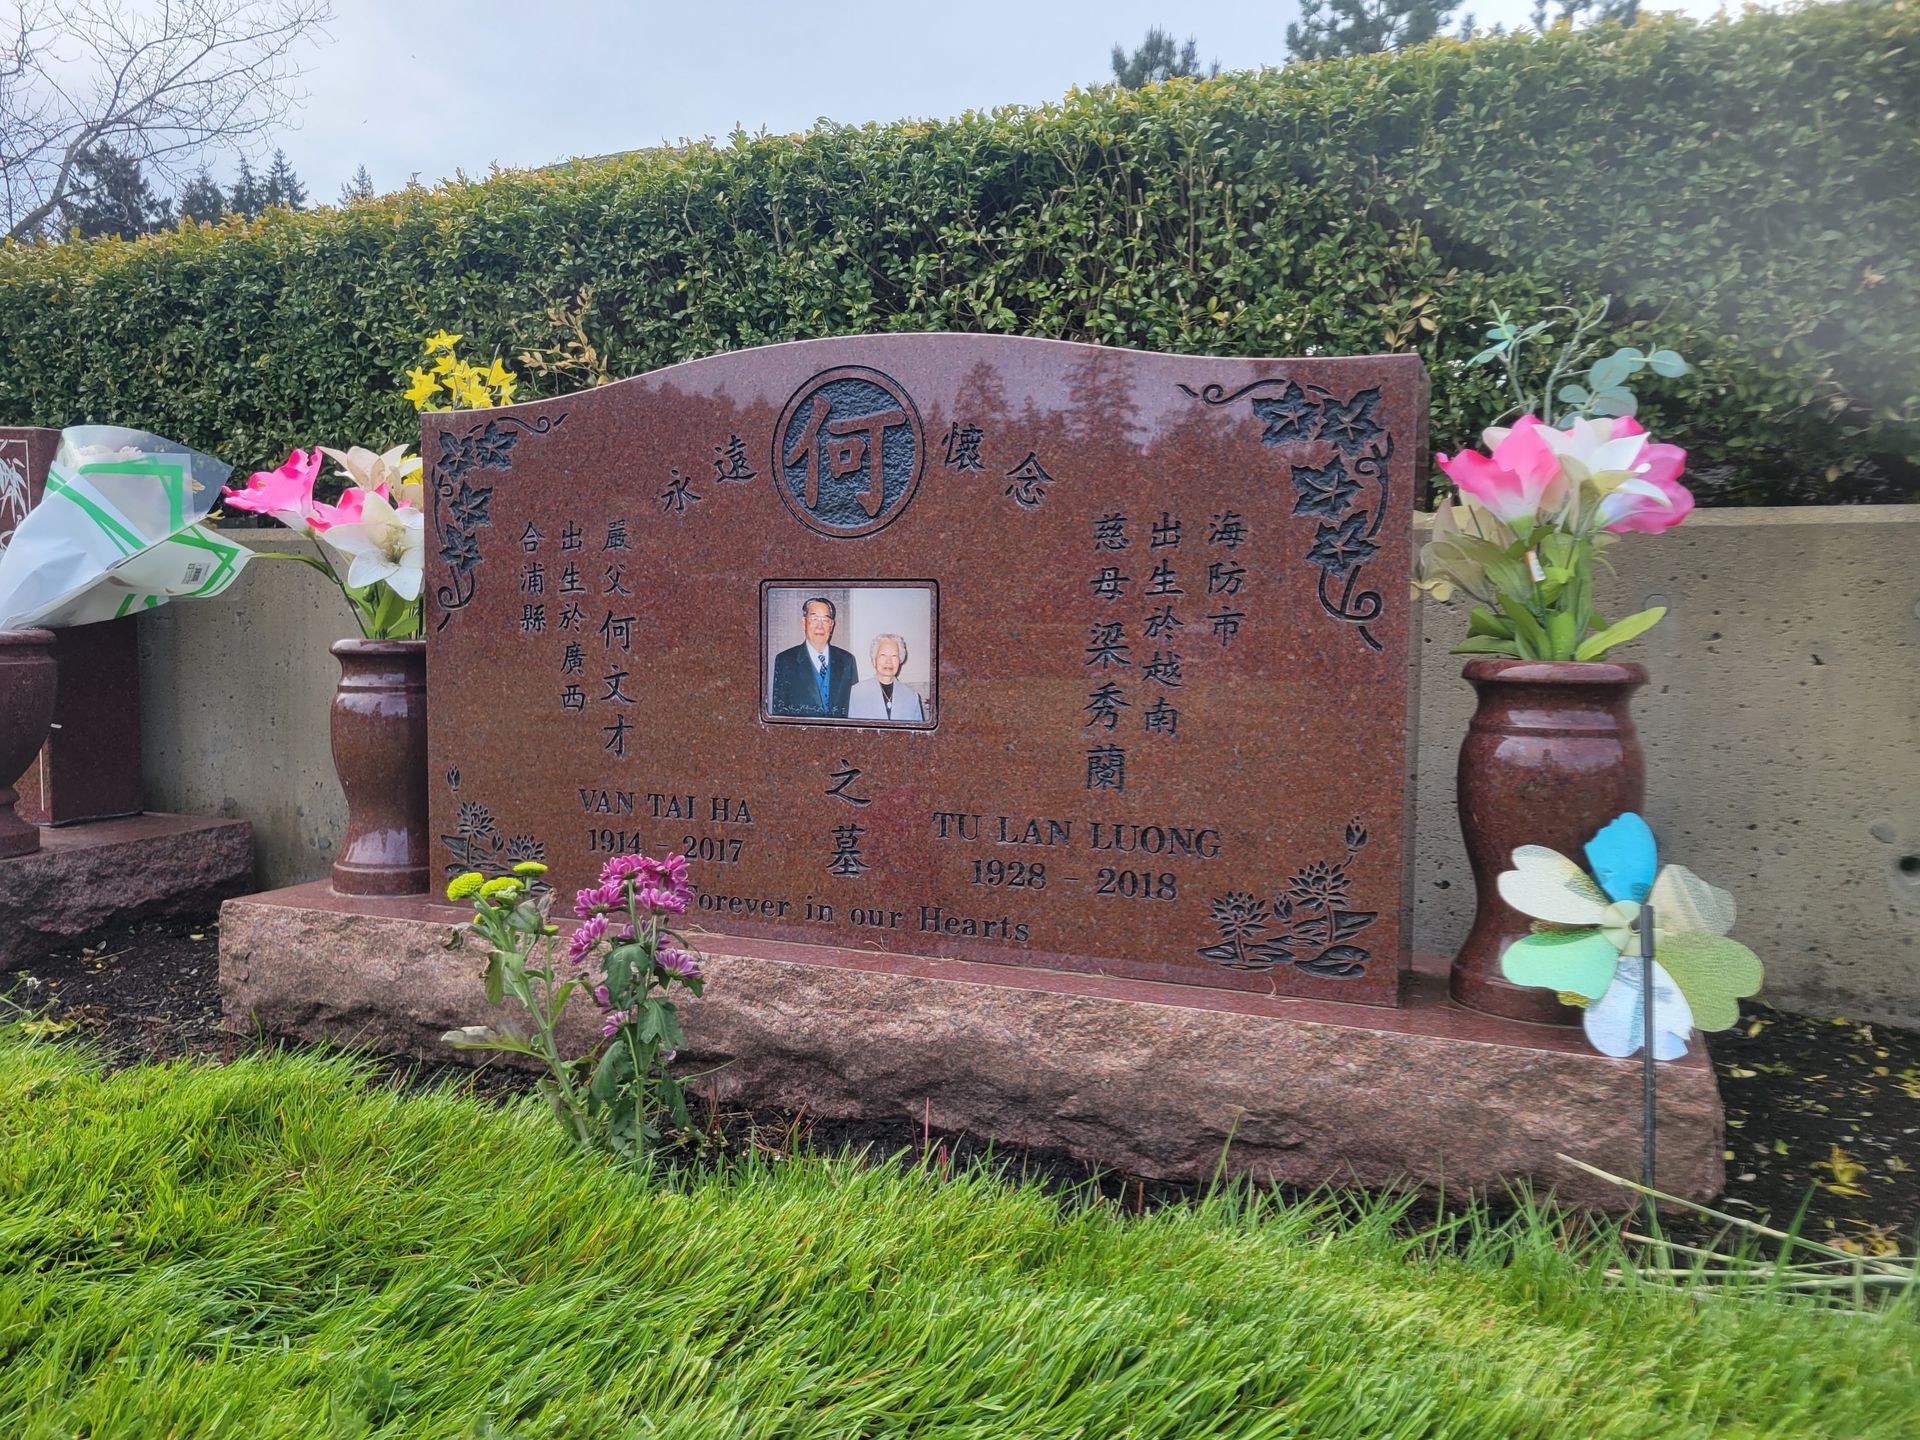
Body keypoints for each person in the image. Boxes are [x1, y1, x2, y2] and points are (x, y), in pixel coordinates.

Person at [770, 596, 857, 717]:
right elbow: (779, 712)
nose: (820, 626)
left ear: (831, 625)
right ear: (804, 622)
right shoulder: (785, 660)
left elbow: (854, 709)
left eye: (825, 620)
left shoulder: (847, 660)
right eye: (814, 618)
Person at [847, 632, 927, 722]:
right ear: (874, 660)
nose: (888, 661)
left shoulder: (912, 697)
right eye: (883, 655)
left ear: (900, 660)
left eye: (894, 656)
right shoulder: (857, 693)